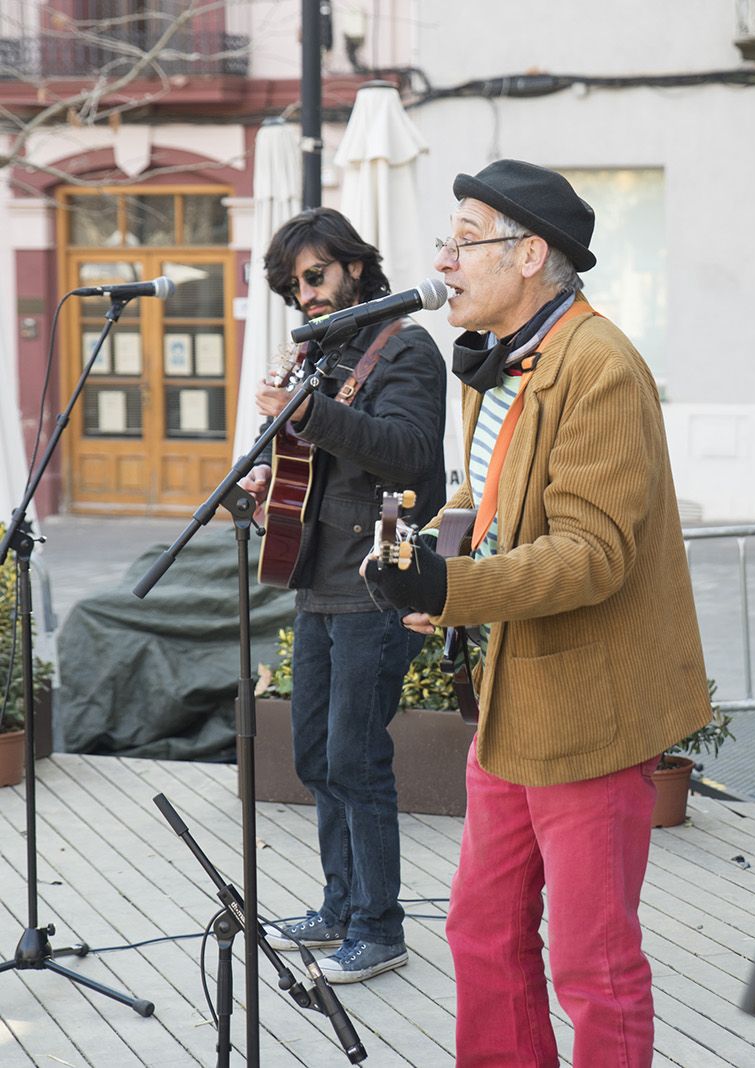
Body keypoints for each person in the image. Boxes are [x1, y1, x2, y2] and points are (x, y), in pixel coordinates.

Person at [364, 160, 710, 1066]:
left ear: (529, 256)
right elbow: (485, 498)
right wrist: (430, 567)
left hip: (589, 711)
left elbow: (593, 554)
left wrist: (453, 589)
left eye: (462, 239)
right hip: (514, 707)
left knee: (592, 966)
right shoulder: (494, 368)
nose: (443, 260)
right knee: (480, 936)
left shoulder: (600, 367)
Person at [243, 207, 446, 983]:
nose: (307, 295)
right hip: (314, 580)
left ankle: (380, 927)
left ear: (356, 267)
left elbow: (408, 453)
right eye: (294, 286)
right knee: (316, 756)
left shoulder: (407, 349)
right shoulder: (320, 357)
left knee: (358, 758)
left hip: (374, 584)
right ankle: (337, 907)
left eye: (316, 275)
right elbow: (313, 464)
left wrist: (308, 415)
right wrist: (269, 474)